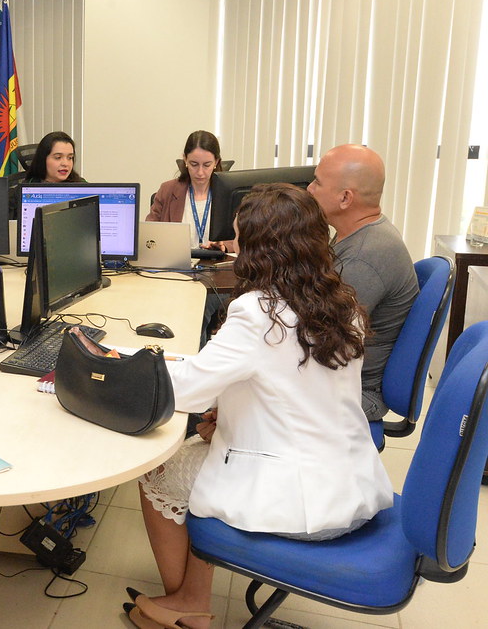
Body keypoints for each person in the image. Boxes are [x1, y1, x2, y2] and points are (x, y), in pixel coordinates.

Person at [123, 184, 393, 629]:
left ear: (257, 248)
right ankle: (188, 602)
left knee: (158, 469)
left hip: (298, 502)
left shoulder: (257, 311)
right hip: (350, 488)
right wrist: (225, 410)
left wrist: (131, 365)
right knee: (201, 451)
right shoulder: (343, 304)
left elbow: (186, 393)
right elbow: (291, 385)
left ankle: (188, 604)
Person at [307, 144, 419, 420]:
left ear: (345, 198)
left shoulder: (364, 257)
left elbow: (319, 339)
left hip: (355, 392)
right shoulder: (356, 233)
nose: (309, 189)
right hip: (338, 378)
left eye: (318, 182)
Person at [146, 130, 230, 251]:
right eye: (194, 164)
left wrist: (224, 246)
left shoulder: (228, 194)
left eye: (207, 165)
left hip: (217, 265)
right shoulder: (167, 191)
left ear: (216, 162)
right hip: (176, 265)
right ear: (185, 160)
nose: (200, 172)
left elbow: (243, 238)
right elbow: (149, 235)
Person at [20, 131, 86, 184]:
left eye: (70, 158)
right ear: (43, 159)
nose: (65, 164)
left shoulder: (83, 187)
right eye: (58, 157)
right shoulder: (26, 188)